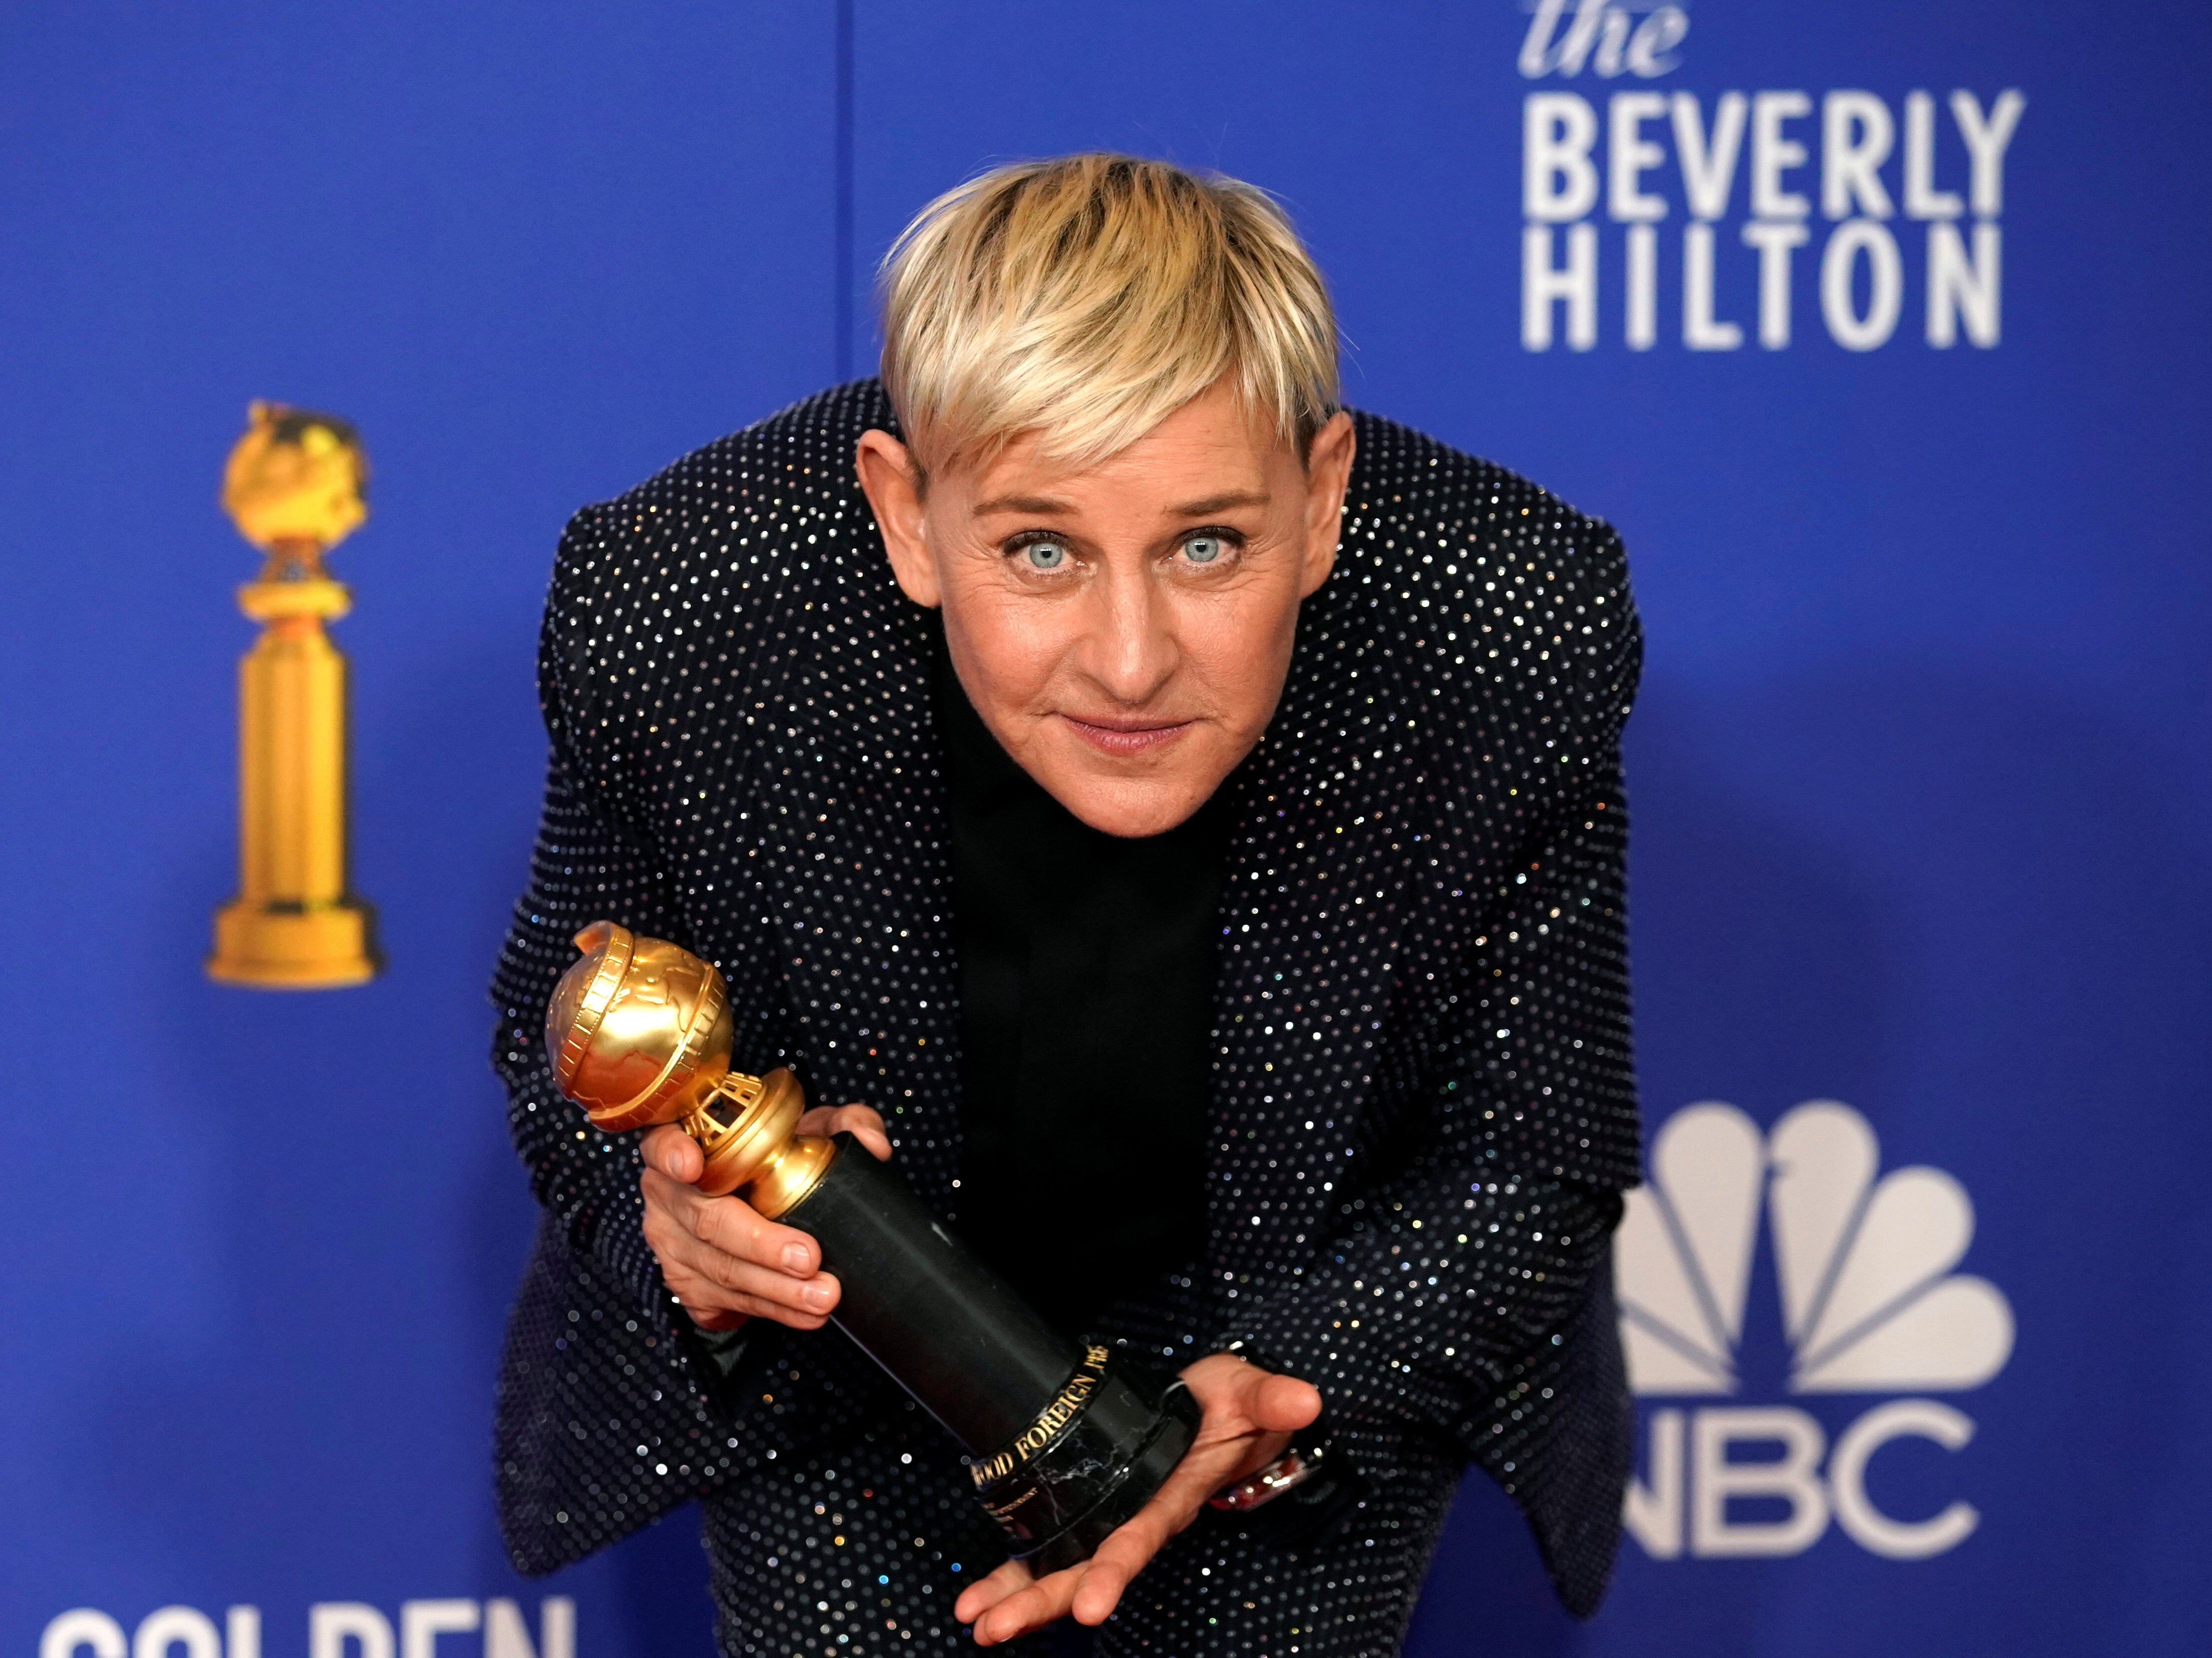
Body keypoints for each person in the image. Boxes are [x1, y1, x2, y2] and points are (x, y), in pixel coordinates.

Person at [489, 153, 1641, 1656]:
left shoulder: (1503, 621)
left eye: (1206, 545)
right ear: (905, 515)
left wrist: (1291, 1380)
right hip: (847, 1383)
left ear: (1323, 496)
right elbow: (559, 1030)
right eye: (1040, 549)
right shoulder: (691, 611)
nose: (1129, 658)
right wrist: (681, 1241)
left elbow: (1530, 1152)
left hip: (1292, 1358)